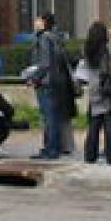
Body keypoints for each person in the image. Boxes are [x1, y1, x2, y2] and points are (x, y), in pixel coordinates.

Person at [76, 21, 111, 166]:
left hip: (94, 91)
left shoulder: (87, 50)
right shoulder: (109, 50)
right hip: (108, 90)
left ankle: (90, 155)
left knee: (94, 125)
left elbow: (82, 72)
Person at [28, 13, 70, 161]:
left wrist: (34, 78)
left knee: (49, 118)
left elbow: (45, 63)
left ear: (44, 23)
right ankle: (54, 147)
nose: (35, 22)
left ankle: (50, 149)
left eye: (38, 20)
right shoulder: (56, 37)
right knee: (54, 117)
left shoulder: (44, 38)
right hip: (57, 82)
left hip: (46, 83)